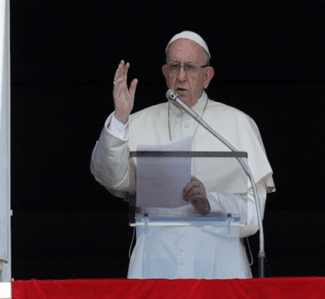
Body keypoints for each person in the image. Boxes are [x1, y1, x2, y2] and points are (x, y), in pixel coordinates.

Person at [91, 31, 275, 279]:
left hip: (220, 266)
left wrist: (211, 203)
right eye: (174, 67)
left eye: (190, 67)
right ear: (165, 73)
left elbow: (254, 216)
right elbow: (111, 178)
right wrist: (120, 118)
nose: (181, 76)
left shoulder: (238, 124)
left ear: (206, 76)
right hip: (154, 264)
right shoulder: (138, 122)